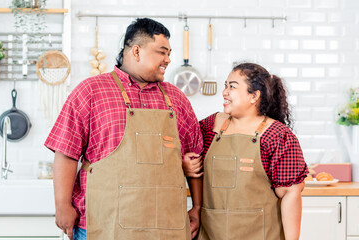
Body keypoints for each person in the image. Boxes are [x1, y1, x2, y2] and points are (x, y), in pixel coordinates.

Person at [45, 18, 203, 240]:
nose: (168, 59)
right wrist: (62, 205)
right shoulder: (91, 91)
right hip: (102, 223)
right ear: (136, 51)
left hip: (165, 226)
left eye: (169, 53)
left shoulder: (176, 98)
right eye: (162, 52)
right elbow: (66, 152)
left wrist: (197, 207)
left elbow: (193, 157)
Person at [183, 63, 308, 240]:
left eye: (232, 86)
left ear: (254, 96)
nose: (225, 92)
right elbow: (189, 152)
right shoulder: (211, 126)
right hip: (211, 233)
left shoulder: (277, 135)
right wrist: (186, 164)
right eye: (225, 86)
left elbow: (290, 194)